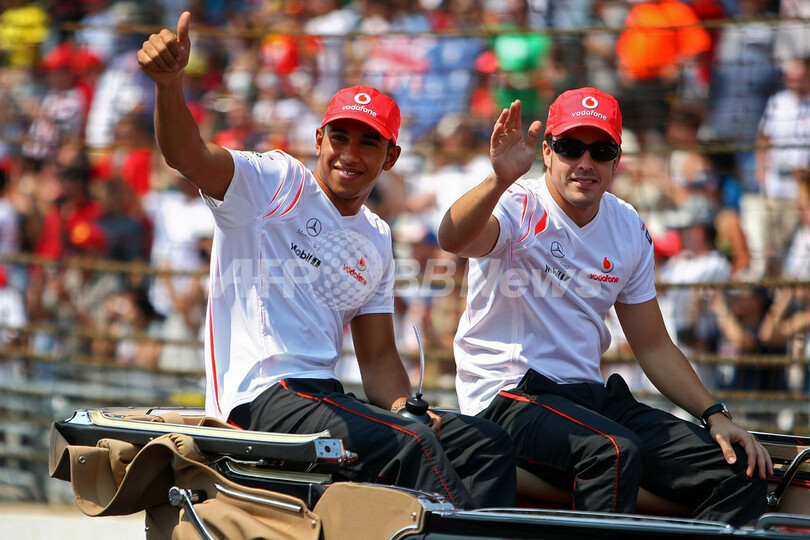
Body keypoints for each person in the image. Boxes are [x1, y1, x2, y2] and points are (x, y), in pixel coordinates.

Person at [136, 11, 516, 510]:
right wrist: (169, 85)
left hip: (323, 397)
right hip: (260, 398)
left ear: (391, 157)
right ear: (319, 140)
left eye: (368, 142)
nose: (350, 154)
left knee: (486, 443)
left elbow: (377, 358)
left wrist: (403, 406)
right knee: (413, 444)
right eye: (340, 137)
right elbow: (188, 156)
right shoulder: (275, 182)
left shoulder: (377, 236)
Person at [437, 87, 772, 525]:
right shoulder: (517, 203)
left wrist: (714, 415)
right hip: (508, 395)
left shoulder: (627, 224)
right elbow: (453, 239)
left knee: (740, 470)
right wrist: (498, 179)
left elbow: (653, 345)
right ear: (547, 152)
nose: (585, 162)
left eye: (600, 151)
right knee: (612, 450)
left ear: (617, 161)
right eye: (570, 147)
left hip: (588, 398)